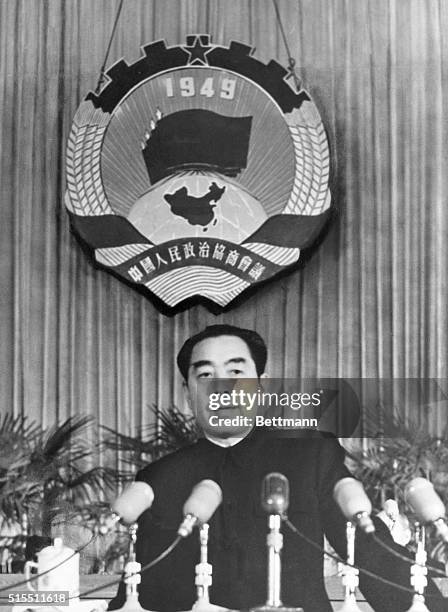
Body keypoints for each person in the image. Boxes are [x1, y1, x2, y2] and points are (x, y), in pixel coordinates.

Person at [109, 325, 445, 612]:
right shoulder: (159, 477)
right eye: (206, 375)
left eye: (236, 372)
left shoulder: (310, 453)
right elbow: (139, 588)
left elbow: (369, 548)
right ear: (188, 391)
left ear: (261, 384)